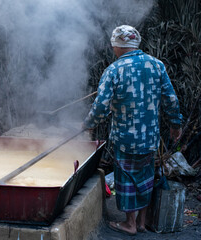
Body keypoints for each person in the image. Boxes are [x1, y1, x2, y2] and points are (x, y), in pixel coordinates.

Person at [82, 25, 182, 235]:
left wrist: (88, 125)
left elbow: (101, 106)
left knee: (126, 178)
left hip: (125, 139)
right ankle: (142, 222)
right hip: (150, 137)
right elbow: (171, 99)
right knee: (145, 177)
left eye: (113, 45)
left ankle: (130, 224)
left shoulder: (114, 70)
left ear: (118, 45)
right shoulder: (157, 65)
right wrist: (175, 125)